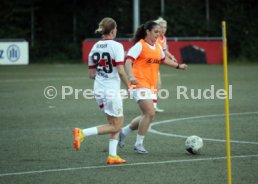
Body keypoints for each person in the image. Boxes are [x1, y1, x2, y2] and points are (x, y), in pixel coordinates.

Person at [119, 20, 188, 153]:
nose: (158, 34)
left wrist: (179, 66)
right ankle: (138, 144)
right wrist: (130, 76)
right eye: (156, 31)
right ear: (148, 32)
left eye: (159, 31)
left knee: (147, 114)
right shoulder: (140, 46)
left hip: (151, 85)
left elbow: (164, 60)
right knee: (150, 113)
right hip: (139, 83)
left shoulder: (157, 46)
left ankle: (123, 132)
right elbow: (128, 62)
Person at [72, 17, 129, 164]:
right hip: (111, 90)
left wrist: (103, 73)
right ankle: (82, 133)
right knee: (117, 124)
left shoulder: (95, 46)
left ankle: (112, 155)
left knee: (113, 123)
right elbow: (121, 72)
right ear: (113, 30)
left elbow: (91, 75)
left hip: (98, 89)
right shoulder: (117, 46)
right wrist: (130, 87)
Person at [153, 17, 177, 112]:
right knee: (155, 85)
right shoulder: (154, 37)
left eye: (165, 27)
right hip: (149, 64)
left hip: (155, 65)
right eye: (161, 27)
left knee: (157, 85)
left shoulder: (164, 38)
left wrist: (171, 56)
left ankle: (153, 106)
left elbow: (164, 50)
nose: (163, 29)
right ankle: (150, 106)